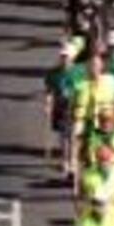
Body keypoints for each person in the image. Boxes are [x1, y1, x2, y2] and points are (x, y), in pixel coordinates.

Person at [44, 39, 88, 177]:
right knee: (63, 137)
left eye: (67, 57)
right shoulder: (53, 73)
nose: (64, 59)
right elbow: (49, 90)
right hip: (61, 108)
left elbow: (85, 89)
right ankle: (65, 162)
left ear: (72, 57)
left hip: (76, 107)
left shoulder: (80, 72)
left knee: (74, 136)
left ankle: (73, 163)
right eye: (62, 56)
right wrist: (47, 104)